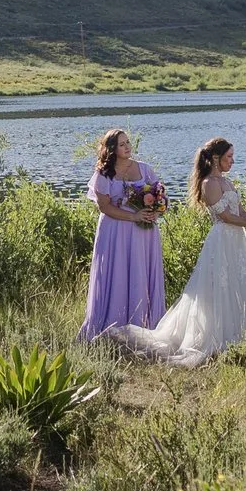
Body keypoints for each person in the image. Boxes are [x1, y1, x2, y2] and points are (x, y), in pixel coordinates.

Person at [109, 137, 246, 366]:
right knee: (216, 289)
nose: (232, 161)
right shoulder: (209, 184)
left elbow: (241, 212)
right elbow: (226, 217)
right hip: (222, 240)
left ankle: (239, 336)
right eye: (229, 157)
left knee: (238, 283)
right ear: (216, 158)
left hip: (237, 240)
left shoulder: (227, 182)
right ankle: (214, 337)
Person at [80, 128, 166, 340]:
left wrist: (155, 211)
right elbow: (105, 207)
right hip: (115, 232)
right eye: (122, 144)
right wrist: (133, 217)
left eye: (128, 142)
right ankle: (111, 329)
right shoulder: (103, 174)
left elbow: (160, 197)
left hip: (143, 233)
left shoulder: (145, 169)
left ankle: (145, 327)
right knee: (117, 273)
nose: (128, 147)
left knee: (141, 273)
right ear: (112, 149)